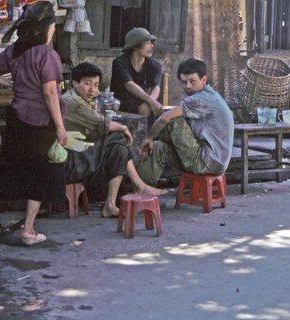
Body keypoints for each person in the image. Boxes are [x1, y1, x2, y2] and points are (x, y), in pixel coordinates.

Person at [0, 1, 68, 246]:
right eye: (53, 26)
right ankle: (28, 229)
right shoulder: (47, 54)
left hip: (17, 118)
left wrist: (9, 84)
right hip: (39, 123)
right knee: (39, 174)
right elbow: (50, 94)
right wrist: (60, 126)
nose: (54, 31)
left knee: (10, 166)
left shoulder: (16, 51)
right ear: (45, 29)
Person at [62, 62, 166, 218]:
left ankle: (111, 205)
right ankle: (138, 185)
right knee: (116, 137)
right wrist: (123, 128)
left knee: (118, 148)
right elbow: (102, 123)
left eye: (96, 85)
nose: (92, 89)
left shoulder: (78, 95)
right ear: (75, 83)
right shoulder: (73, 102)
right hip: (70, 159)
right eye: (87, 84)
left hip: (81, 152)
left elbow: (102, 101)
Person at [137, 58, 234, 186]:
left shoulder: (203, 98)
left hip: (207, 162)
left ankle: (140, 145)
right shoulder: (209, 95)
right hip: (211, 161)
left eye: (192, 81)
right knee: (157, 148)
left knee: (173, 120)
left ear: (203, 80)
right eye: (184, 82)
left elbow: (166, 118)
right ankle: (144, 193)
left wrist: (148, 137)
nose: (188, 86)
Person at [110, 28, 164, 126]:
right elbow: (129, 84)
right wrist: (151, 102)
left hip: (143, 103)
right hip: (122, 106)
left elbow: (156, 87)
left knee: (149, 112)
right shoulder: (119, 63)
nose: (152, 46)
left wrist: (150, 103)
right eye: (148, 43)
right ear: (135, 47)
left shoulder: (154, 65)